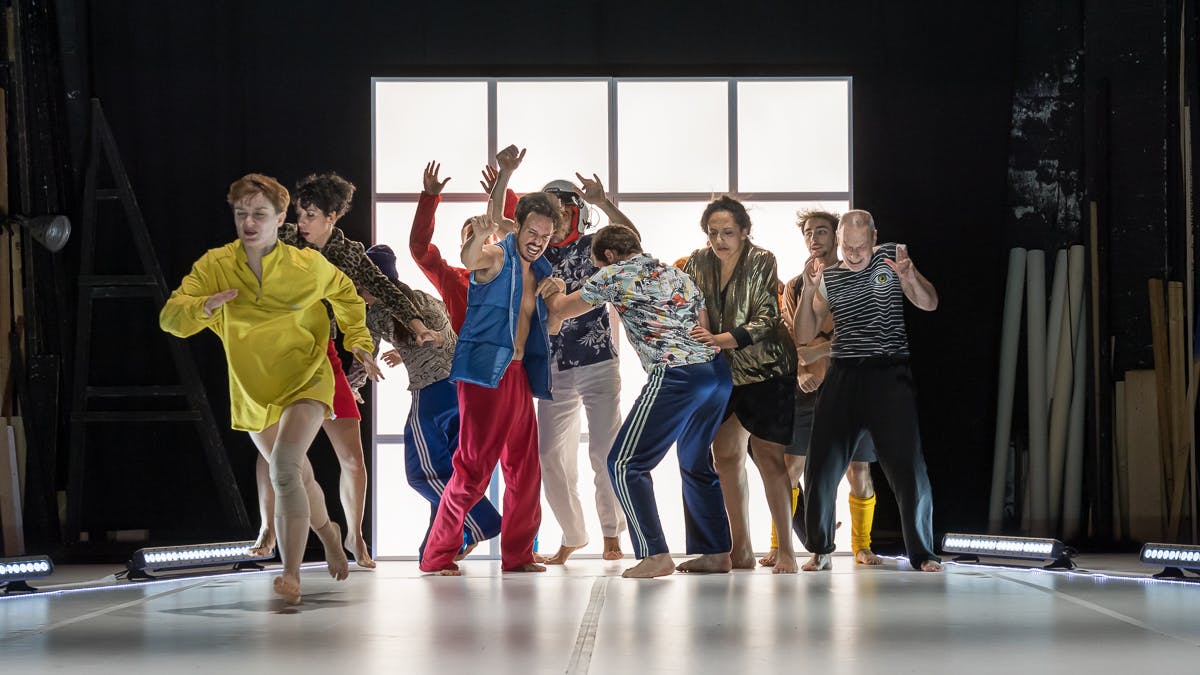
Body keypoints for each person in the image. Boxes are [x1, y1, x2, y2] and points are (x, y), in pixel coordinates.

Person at [160, 173, 381, 604]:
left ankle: (291, 574)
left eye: (259, 213)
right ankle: (329, 533)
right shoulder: (216, 265)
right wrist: (203, 306)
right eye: (241, 213)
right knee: (297, 475)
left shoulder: (306, 265)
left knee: (283, 466)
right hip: (253, 389)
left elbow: (347, 296)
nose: (249, 222)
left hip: (307, 377)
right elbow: (171, 318)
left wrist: (358, 342)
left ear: (281, 218)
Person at [249, 171, 441, 569]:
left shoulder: (349, 254)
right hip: (277, 355)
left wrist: (418, 325)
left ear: (332, 216)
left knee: (352, 458)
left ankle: (355, 535)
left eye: (311, 216)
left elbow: (387, 290)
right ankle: (268, 525)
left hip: (323, 357)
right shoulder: (282, 240)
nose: (302, 222)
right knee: (273, 448)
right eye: (300, 214)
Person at [542, 225, 733, 578]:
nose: (599, 271)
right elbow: (702, 323)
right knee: (695, 461)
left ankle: (655, 554)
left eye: (599, 265)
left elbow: (564, 309)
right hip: (716, 374)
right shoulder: (676, 273)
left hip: (676, 374)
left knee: (623, 463)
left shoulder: (614, 274)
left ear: (609, 256)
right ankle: (716, 553)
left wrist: (552, 289)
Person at [486, 145, 635, 564]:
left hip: (599, 361)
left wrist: (603, 202)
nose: (561, 219)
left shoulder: (593, 245)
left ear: (579, 213)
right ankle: (574, 534)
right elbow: (497, 223)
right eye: (553, 211)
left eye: (567, 210)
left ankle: (612, 534)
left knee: (604, 451)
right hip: (552, 366)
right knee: (550, 455)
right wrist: (505, 176)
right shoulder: (536, 249)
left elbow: (632, 241)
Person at [418, 186, 559, 576]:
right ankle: (437, 555)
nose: (538, 241)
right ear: (517, 226)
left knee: (525, 471)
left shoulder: (542, 272)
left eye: (546, 236)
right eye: (532, 232)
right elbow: (472, 258)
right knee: (472, 470)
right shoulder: (498, 256)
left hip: (519, 376)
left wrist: (558, 294)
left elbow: (549, 326)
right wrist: (480, 233)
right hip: (485, 376)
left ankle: (519, 555)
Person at [794, 209, 941, 572]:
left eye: (861, 246)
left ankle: (923, 553)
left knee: (908, 467)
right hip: (843, 375)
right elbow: (804, 335)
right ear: (839, 242)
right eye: (848, 247)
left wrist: (910, 277)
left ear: (874, 239)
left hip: (889, 373)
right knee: (821, 465)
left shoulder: (892, 257)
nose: (855, 253)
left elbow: (929, 303)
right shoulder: (829, 276)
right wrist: (809, 291)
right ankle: (820, 548)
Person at [348, 244, 502, 560]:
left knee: (422, 474)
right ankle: (437, 549)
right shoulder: (426, 298)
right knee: (449, 473)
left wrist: (353, 385)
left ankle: (482, 523)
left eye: (361, 285)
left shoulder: (376, 312)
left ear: (373, 281)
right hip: (464, 391)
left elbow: (365, 349)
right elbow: (446, 338)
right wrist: (404, 352)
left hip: (433, 395)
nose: (360, 293)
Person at [758, 210, 882, 568]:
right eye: (809, 232)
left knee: (858, 471)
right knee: (791, 468)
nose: (815, 238)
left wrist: (820, 354)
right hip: (806, 388)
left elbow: (862, 335)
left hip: (851, 388)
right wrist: (799, 371)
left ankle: (862, 546)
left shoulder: (859, 277)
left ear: (837, 236)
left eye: (822, 231)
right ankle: (780, 545)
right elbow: (787, 336)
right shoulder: (795, 285)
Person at [684, 196, 800, 573]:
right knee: (725, 456)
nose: (720, 240)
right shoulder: (696, 262)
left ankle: (787, 550)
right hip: (722, 372)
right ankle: (741, 550)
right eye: (713, 232)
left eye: (728, 232)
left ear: (745, 231)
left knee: (769, 458)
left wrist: (719, 340)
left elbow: (767, 318)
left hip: (768, 370)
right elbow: (690, 309)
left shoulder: (763, 259)